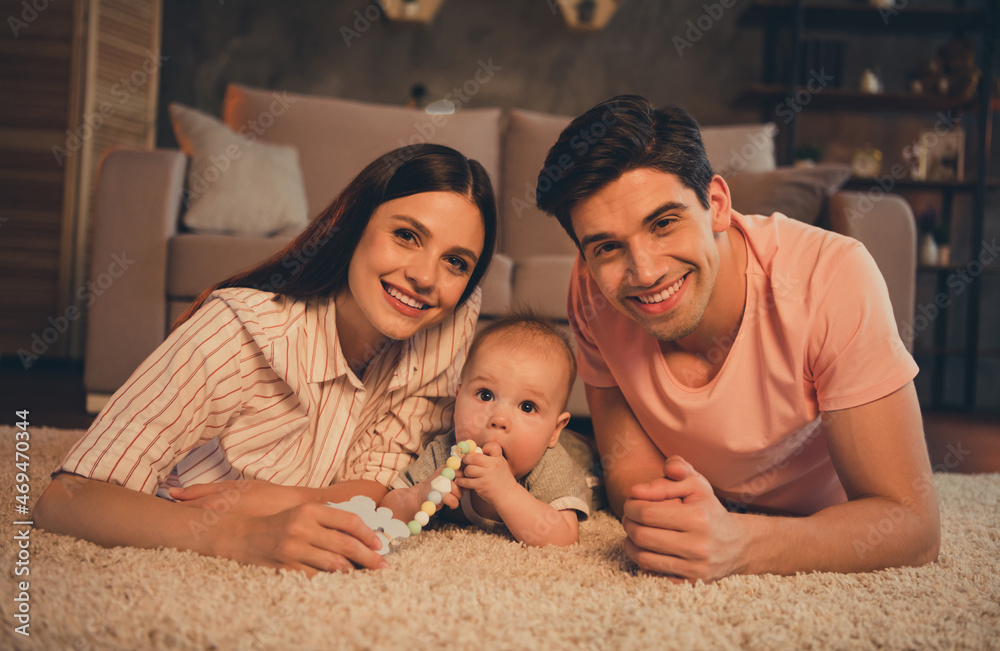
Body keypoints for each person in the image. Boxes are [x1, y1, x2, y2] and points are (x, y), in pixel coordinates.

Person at [33, 144, 498, 577]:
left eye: (456, 262)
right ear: (354, 225)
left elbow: (372, 487)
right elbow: (64, 500)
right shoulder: (237, 331)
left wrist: (279, 501)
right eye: (406, 235)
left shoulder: (447, 321)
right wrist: (243, 535)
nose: (425, 277)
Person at [534, 95, 940, 583]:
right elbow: (630, 471)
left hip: (827, 519)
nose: (644, 272)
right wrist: (666, 519)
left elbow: (913, 524)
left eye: (664, 223)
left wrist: (740, 543)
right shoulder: (590, 288)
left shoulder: (832, 277)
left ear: (718, 205)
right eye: (607, 247)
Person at [381, 314, 590, 546]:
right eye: (485, 395)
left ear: (554, 431)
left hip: (584, 456)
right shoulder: (444, 454)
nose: (499, 419)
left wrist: (506, 491)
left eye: (527, 407)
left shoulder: (549, 464)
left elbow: (564, 537)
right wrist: (419, 496)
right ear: (458, 399)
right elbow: (387, 509)